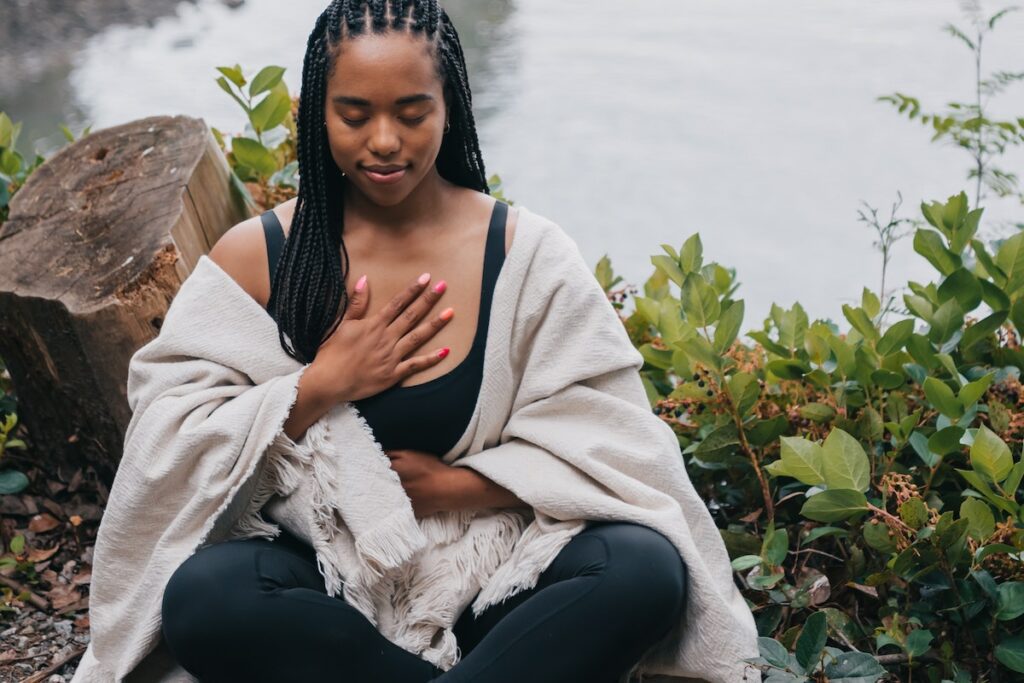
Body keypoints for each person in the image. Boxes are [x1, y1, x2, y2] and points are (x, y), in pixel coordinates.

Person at [158, 1, 689, 682]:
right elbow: (172, 451)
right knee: (203, 598)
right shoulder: (260, 255)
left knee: (642, 568)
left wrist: (463, 486)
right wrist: (322, 384)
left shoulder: (527, 255)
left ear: (452, 106)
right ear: (318, 112)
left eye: (412, 114)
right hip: (327, 579)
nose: (384, 140)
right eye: (354, 115)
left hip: (490, 575)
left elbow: (615, 446)